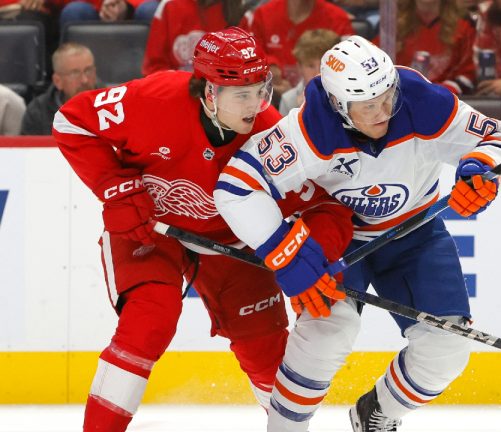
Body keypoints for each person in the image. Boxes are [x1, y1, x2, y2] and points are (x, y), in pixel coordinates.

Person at [214, 35, 501, 432]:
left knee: (447, 348)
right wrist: (286, 254)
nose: (383, 112)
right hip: (338, 235)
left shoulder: (422, 101)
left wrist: (484, 170)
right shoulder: (310, 128)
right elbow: (236, 187)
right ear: (339, 105)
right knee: (325, 335)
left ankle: (376, 415)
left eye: (387, 98)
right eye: (368, 106)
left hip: (416, 233)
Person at [51, 27, 352, 431]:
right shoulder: (152, 98)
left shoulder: (269, 135)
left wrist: (313, 256)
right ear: (209, 92)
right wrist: (116, 189)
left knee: (266, 351)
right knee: (148, 322)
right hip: (149, 228)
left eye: (260, 90)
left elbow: (324, 205)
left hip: (232, 244)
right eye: (241, 95)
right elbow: (71, 121)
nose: (255, 104)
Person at [239, 0, 354, 96]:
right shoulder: (261, 15)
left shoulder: (338, 18)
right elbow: (245, 53)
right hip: (268, 95)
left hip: (327, 96)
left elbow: (351, 65)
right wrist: (269, 65)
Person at [380, 0, 477, 95]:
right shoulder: (391, 29)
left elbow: (467, 74)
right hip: (401, 98)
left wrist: (437, 93)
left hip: (445, 99)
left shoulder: (464, 29)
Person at [142, 0, 243, 76]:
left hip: (225, 92)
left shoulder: (242, 10)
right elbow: (154, 68)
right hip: (176, 90)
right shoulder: (170, 5)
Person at [22, 43, 99, 135]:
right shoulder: (38, 113)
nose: (84, 80)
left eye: (88, 71)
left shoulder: (112, 106)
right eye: (75, 73)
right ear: (58, 81)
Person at [278, 29, 341, 116]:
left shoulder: (353, 96)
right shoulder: (289, 101)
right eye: (310, 66)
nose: (318, 73)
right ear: (299, 67)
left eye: (323, 65)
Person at [59, 0, 159, 28]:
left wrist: (127, 6)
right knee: (74, 11)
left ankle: (155, 71)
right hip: (91, 11)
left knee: (151, 10)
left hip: (136, 12)